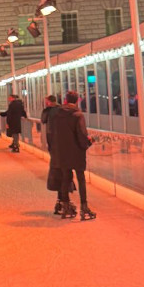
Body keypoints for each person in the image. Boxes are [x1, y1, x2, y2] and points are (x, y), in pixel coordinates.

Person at [49, 91, 96, 220]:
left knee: (65, 178)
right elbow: (81, 134)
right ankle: (84, 208)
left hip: (62, 152)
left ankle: (66, 207)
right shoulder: (77, 115)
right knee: (81, 179)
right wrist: (88, 142)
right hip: (76, 152)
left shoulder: (57, 115)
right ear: (78, 100)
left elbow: (53, 133)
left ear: (65, 100)